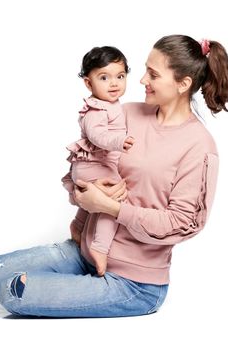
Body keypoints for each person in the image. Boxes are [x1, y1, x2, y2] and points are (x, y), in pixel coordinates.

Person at [0, 34, 228, 318]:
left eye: (154, 74)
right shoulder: (126, 113)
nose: (142, 80)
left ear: (183, 84)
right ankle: (78, 285)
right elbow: (83, 162)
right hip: (84, 253)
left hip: (134, 282)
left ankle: (81, 291)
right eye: (145, 69)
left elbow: (183, 224)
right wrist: (84, 191)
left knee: (14, 292)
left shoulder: (199, 147)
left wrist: (111, 207)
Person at [61, 46, 135, 277]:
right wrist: (119, 141)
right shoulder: (96, 109)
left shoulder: (113, 105)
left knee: (99, 199)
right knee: (114, 200)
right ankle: (100, 248)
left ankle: (79, 226)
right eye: (104, 77)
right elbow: (97, 136)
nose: (114, 84)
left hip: (94, 165)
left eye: (120, 76)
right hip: (93, 165)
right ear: (88, 83)